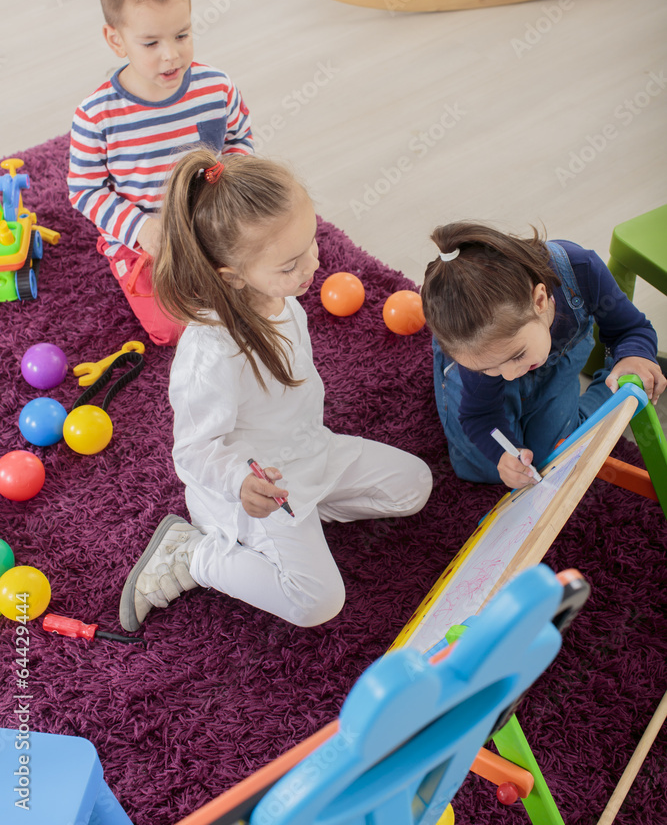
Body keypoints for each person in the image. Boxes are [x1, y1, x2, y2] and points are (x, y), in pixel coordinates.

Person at [118, 149, 432, 631]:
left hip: (309, 450)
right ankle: (193, 552)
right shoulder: (211, 352)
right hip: (257, 485)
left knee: (414, 487)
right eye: (290, 264)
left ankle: (295, 524)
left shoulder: (279, 297)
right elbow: (194, 450)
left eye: (311, 243)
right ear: (232, 276)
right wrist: (242, 485)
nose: (311, 265)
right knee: (316, 602)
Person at [67, 0, 253, 345]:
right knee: (173, 329)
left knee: (258, 293)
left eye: (182, 35)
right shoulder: (96, 116)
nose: (171, 54)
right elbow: (85, 190)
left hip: (210, 222)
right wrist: (141, 229)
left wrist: (225, 198)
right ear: (116, 39)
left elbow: (238, 143)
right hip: (145, 242)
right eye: (150, 42)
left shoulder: (216, 88)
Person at [421, 222, 665, 488]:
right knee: (486, 469)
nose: (511, 375)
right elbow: (480, 415)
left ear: (540, 301)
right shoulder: (478, 350)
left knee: (554, 456)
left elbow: (631, 328)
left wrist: (634, 355)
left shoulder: (582, 269)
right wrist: (504, 454)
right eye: (490, 368)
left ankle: (614, 382)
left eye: (517, 355)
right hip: (482, 358)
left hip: (559, 355)